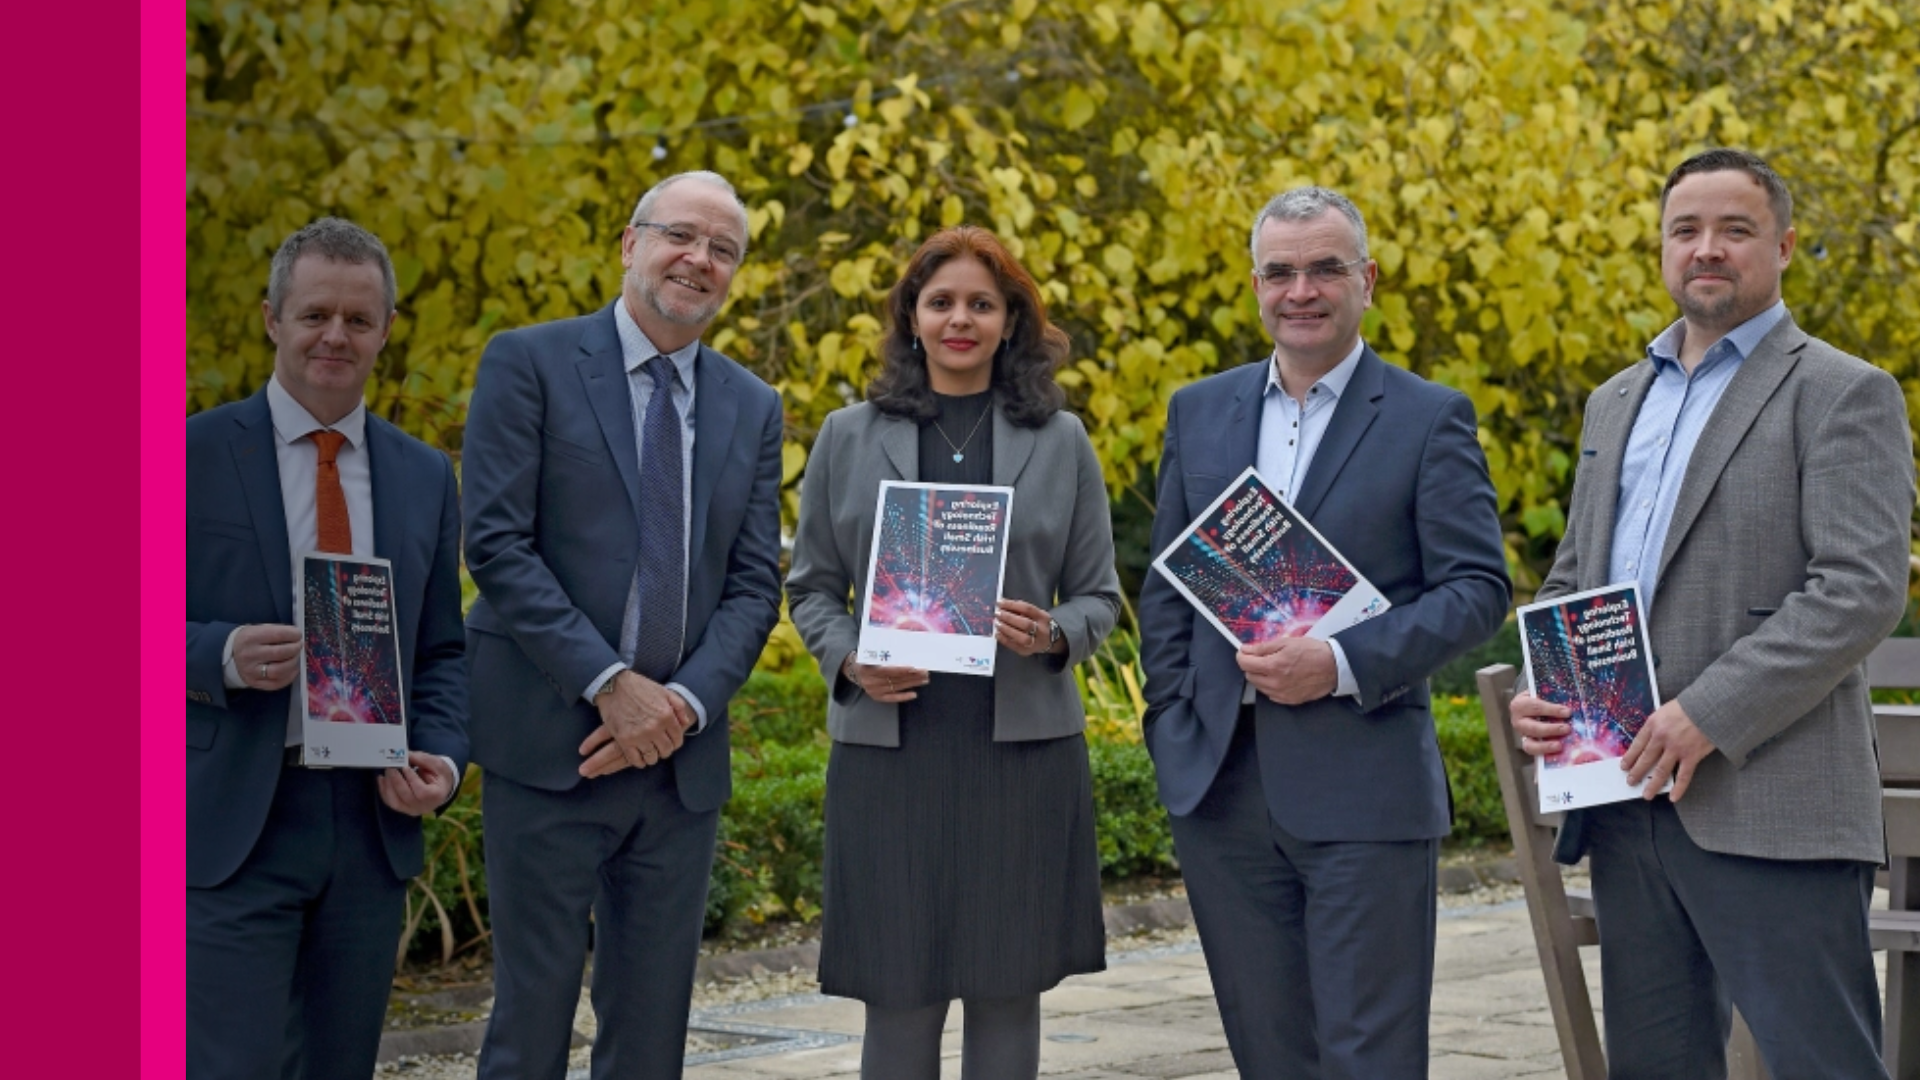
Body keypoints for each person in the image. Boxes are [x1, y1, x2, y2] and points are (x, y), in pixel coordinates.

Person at [1509, 148, 1916, 1078]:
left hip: (1774, 803)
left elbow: (1859, 591)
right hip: (1623, 802)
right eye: (1685, 230)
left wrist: (1709, 715)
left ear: (1784, 245)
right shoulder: (1616, 401)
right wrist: (1547, 684)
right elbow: (1575, 578)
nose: (1707, 250)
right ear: (1661, 248)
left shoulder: (1843, 391)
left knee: (1825, 1064)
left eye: (1735, 230)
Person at [1138, 187, 1511, 1078]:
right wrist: (1169, 719)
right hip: (1222, 788)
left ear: (1367, 280)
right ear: (1257, 285)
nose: (1300, 290)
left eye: (1324, 269)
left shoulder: (1429, 417)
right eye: (1280, 272)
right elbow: (1166, 590)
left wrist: (1341, 662)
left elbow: (1477, 589)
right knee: (1269, 1056)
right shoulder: (1201, 411)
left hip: (1365, 788)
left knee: (1368, 1057)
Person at [462, 170, 783, 1077]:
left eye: (724, 250)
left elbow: (757, 585)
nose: (700, 259)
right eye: (683, 235)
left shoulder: (752, 406)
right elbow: (495, 545)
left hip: (677, 766)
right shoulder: (528, 361)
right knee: (532, 1020)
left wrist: (677, 706)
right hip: (548, 745)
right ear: (630, 244)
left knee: (652, 1034)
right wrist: (612, 687)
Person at [786, 225, 1121, 1079]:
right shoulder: (847, 436)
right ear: (912, 318)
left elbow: (1101, 597)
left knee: (1009, 993)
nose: (960, 319)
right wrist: (849, 659)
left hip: (1021, 755)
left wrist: (1052, 632)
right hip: (892, 752)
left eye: (982, 303)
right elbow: (812, 589)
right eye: (941, 303)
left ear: (1011, 321)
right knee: (897, 995)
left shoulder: (1063, 440)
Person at [185, 218, 469, 1079]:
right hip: (234, 820)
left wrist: (446, 762)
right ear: (273, 319)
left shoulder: (424, 475)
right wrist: (219, 655)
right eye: (314, 315)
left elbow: (446, 654)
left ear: (386, 329)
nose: (335, 336)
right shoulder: (185, 454)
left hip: (368, 824)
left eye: (357, 318)